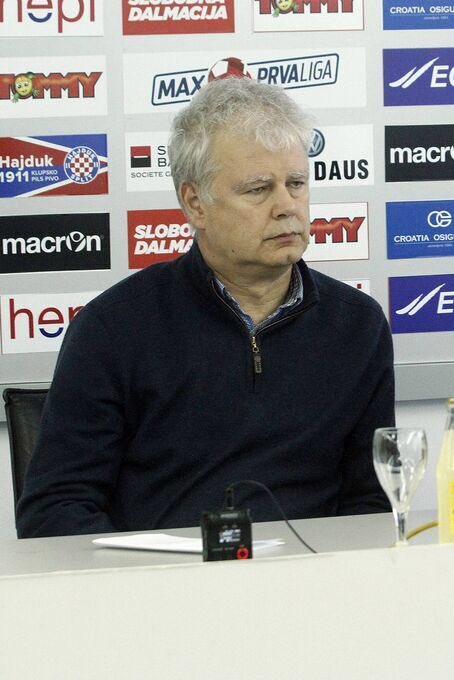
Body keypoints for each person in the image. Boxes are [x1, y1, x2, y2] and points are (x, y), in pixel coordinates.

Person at [16, 79, 393, 537]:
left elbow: (374, 501)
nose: (286, 206)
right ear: (195, 203)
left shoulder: (357, 325)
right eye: (258, 189)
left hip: (312, 571)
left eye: (296, 184)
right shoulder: (113, 328)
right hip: (161, 574)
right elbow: (55, 509)